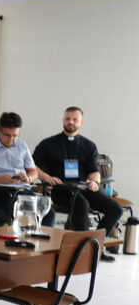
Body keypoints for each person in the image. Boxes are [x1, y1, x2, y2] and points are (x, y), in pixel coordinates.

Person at [32, 107, 122, 260]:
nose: (71, 122)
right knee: (81, 204)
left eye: (75, 119)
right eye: (68, 119)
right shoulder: (49, 144)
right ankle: (82, 251)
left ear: (81, 122)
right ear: (63, 120)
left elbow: (94, 171)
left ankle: (96, 247)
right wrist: (46, 177)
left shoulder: (89, 146)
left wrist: (95, 183)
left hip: (85, 188)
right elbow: (31, 166)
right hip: (61, 189)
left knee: (116, 209)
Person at [0, 111, 50, 225]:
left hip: (23, 190)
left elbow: (33, 172)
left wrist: (28, 178)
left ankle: (36, 236)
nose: (11, 139)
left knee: (49, 214)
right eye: (7, 135)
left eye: (15, 135)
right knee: (20, 211)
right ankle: (21, 235)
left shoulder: (22, 146)